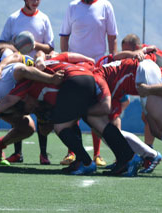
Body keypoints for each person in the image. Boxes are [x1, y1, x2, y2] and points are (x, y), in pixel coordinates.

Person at [0, 58, 141, 176]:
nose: (27, 110)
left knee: (61, 127)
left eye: (23, 106)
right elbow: (70, 57)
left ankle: (86, 162)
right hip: (88, 78)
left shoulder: (26, 82)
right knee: (94, 120)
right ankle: (127, 157)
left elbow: (8, 100)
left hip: (76, 81)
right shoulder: (47, 66)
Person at [120, 33, 162, 175]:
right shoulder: (143, 54)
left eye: (129, 51)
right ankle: (159, 154)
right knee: (151, 118)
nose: (128, 55)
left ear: (137, 48)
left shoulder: (146, 53)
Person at [59, 0, 119, 167]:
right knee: (72, 108)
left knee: (97, 109)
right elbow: (64, 36)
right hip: (75, 68)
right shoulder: (72, 6)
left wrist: (111, 62)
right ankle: (71, 152)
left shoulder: (106, 6)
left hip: (98, 68)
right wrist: (66, 61)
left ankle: (97, 154)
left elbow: (112, 37)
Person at [0, 0, 55, 164]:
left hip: (38, 72)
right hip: (19, 72)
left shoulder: (43, 19)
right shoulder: (13, 18)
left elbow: (50, 47)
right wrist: (16, 46)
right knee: (21, 110)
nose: (35, 2)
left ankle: (43, 154)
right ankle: (17, 153)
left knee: (41, 110)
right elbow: (1, 44)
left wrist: (33, 44)